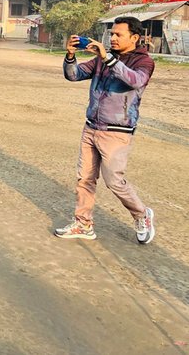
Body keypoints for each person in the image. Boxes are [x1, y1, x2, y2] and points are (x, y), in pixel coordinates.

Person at [55, 17, 156, 244]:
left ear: (134, 37)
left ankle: (142, 215)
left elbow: (135, 81)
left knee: (114, 182)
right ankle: (83, 224)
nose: (112, 38)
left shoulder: (143, 62)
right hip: (91, 127)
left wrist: (108, 58)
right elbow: (74, 75)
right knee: (85, 178)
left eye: (118, 34)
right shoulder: (102, 59)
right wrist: (70, 56)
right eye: (111, 34)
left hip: (117, 132)